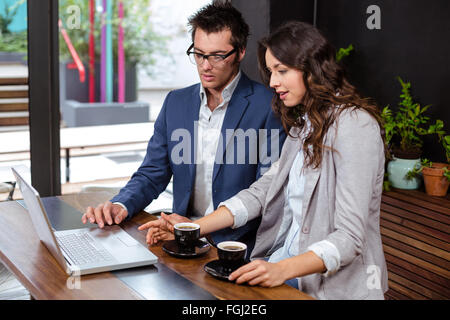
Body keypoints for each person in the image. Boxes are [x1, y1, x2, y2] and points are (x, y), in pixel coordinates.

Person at [141, 21, 389, 300]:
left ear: (312, 68)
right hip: (288, 270)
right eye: (271, 72)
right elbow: (262, 192)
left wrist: (281, 270)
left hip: (331, 289)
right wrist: (192, 228)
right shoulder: (304, 124)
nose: (272, 82)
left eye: (282, 71)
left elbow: (350, 238)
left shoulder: (355, 126)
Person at [81, 3, 286, 251]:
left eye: (217, 56)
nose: (205, 66)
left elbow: (267, 194)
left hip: (236, 248)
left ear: (241, 52)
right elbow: (152, 173)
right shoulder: (175, 103)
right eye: (198, 54)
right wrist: (121, 205)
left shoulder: (268, 106)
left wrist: (198, 229)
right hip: (179, 240)